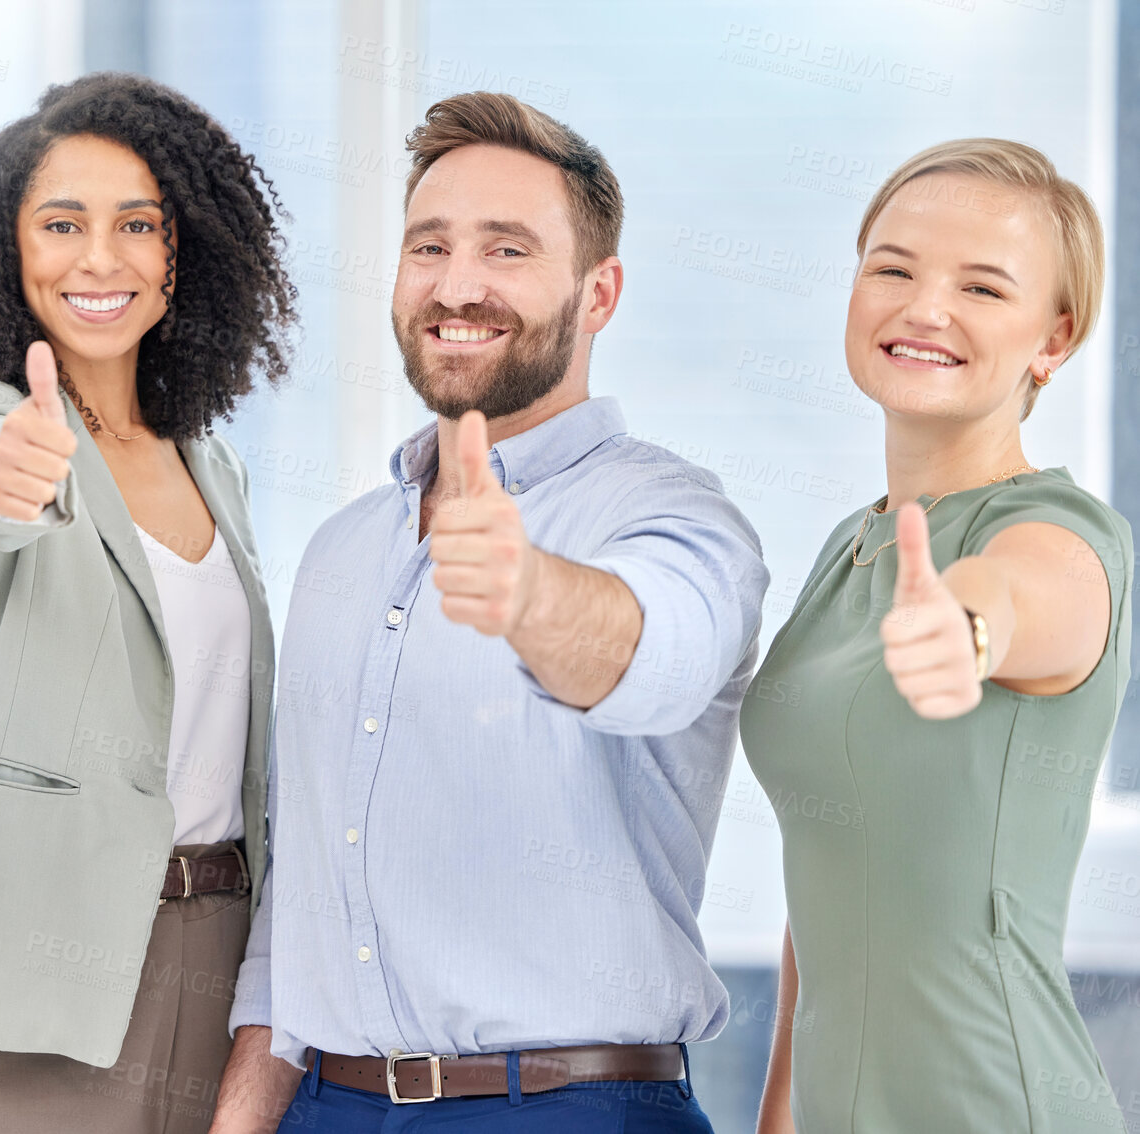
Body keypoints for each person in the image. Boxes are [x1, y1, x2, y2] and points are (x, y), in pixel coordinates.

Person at [208, 91, 768, 1133]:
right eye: (429, 246)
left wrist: (526, 592)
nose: (455, 285)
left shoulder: (670, 513)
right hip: (322, 1105)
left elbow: (655, 650)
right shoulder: (340, 553)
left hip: (567, 1107)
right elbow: (302, 904)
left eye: (506, 249)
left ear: (597, 293)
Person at [0, 73, 297, 1134]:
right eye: (60, 224)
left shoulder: (209, 464)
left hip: (215, 955)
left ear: (185, 252)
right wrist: (9, 471)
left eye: (137, 224)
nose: (101, 258)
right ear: (6, 253)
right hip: (31, 979)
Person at [746, 140, 1128, 1133]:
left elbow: (1024, 594)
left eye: (980, 286)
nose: (922, 307)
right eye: (891, 268)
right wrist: (777, 1111)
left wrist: (966, 626)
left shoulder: (1059, 533)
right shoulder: (850, 547)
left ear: (1052, 337)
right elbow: (832, 861)